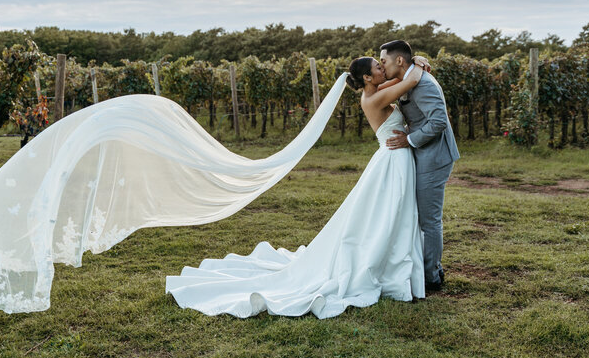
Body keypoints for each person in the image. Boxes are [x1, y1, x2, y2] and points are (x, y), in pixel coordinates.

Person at [165, 56, 430, 318]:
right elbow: (411, 79)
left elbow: (399, 78)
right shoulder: (375, 98)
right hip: (392, 160)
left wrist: (410, 64)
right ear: (367, 78)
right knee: (390, 213)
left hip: (394, 158)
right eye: (377, 67)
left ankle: (396, 263)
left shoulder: (377, 90)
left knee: (393, 214)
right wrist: (417, 63)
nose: (383, 68)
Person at [380, 40, 459, 291]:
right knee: (420, 216)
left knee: (429, 220)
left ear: (399, 61)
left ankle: (432, 276)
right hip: (422, 154)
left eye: (384, 61)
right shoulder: (409, 78)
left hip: (434, 157)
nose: (382, 66)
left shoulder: (422, 84)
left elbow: (438, 122)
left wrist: (409, 139)